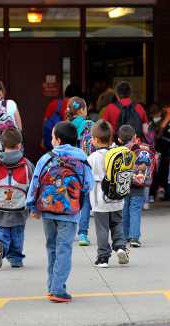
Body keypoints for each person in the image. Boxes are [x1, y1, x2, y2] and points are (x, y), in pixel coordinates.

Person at [27, 121, 94, 303]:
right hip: (70, 214)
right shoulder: (81, 159)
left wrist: (32, 206)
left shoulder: (46, 158)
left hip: (48, 211)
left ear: (57, 140)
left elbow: (35, 182)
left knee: (52, 248)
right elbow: (88, 186)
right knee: (64, 249)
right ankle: (58, 289)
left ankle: (52, 286)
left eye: (52, 137)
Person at [0, 128, 34, 269]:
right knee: (17, 235)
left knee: (0, 231)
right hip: (19, 209)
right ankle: (16, 259)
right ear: (19, 145)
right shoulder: (27, 164)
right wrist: (33, 205)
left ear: (1, 144)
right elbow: (34, 186)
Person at [88, 120, 129, 267]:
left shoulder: (93, 158)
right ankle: (120, 247)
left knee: (102, 229)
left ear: (95, 140)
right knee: (117, 224)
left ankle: (103, 257)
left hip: (100, 201)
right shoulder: (117, 154)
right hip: (117, 199)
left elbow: (87, 178)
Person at [67, 97, 93, 246]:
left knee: (70, 198)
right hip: (85, 165)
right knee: (85, 201)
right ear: (82, 110)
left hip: (69, 167)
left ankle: (69, 232)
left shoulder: (65, 126)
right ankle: (82, 233)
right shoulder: (89, 124)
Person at [118, 125, 145, 248]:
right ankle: (134, 237)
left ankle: (124, 236)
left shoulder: (118, 152)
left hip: (123, 184)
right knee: (135, 211)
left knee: (123, 210)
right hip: (138, 185)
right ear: (135, 137)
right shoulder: (141, 150)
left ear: (119, 139)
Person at [41, 84, 81, 151]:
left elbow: (45, 122)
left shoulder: (54, 104)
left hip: (53, 141)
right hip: (69, 145)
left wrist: (43, 138)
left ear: (65, 93)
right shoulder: (77, 107)